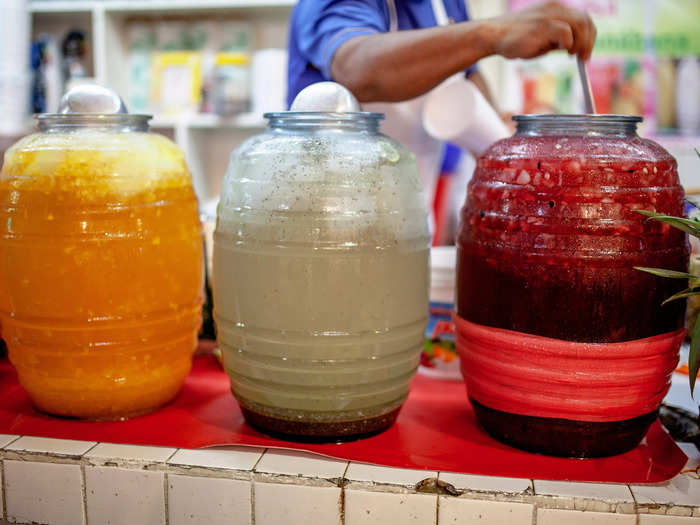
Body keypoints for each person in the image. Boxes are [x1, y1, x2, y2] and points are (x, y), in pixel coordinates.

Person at [287, 0, 596, 222]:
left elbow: (467, 74)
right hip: (327, 222)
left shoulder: (446, 4)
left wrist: (505, 143)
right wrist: (493, 33)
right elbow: (358, 67)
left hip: (408, 216)